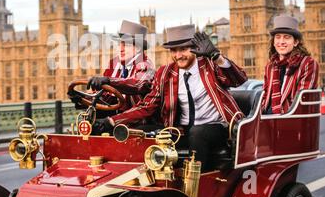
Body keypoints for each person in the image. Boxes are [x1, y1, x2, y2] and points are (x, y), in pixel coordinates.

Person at [95, 24, 248, 171]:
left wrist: (217, 56)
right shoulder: (165, 73)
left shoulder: (209, 65)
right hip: (181, 130)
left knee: (198, 133)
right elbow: (147, 106)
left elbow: (239, 79)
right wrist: (111, 121)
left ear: (195, 48)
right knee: (137, 132)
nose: (178, 55)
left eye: (183, 49)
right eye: (174, 50)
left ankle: (198, 184)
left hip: (216, 127)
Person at [69, 20, 155, 117]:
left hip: (138, 121)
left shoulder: (145, 65)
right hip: (115, 118)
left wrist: (109, 81)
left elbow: (137, 84)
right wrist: (81, 98)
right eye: (119, 44)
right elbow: (105, 97)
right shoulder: (114, 65)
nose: (120, 49)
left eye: (126, 45)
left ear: (138, 48)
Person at [262, 15, 319, 114]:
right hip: (267, 119)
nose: (281, 42)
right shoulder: (270, 66)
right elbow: (265, 96)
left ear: (296, 42)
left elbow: (301, 101)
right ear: (273, 42)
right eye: (278, 37)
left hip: (291, 120)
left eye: (287, 37)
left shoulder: (307, 64)